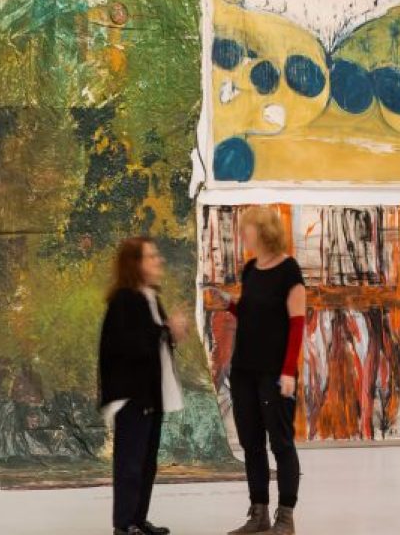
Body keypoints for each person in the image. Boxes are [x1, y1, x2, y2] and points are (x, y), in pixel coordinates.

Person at [207, 207, 306, 535]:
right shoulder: (250, 270)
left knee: (281, 443)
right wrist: (229, 303)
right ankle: (259, 512)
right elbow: (250, 312)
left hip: (274, 373)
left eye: (246, 229)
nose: (242, 234)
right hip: (244, 371)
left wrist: (288, 372)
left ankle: (285, 517)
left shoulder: (289, 270)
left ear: (263, 231)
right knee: (251, 444)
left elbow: (296, 323)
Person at [99, 237, 191, 535]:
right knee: (130, 462)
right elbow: (130, 346)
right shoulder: (124, 300)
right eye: (151, 256)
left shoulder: (149, 297)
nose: (158, 260)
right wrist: (165, 329)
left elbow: (154, 342)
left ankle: (138, 519)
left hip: (151, 394)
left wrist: (170, 333)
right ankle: (124, 524)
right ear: (135, 264)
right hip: (132, 395)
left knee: (146, 462)